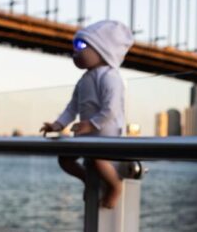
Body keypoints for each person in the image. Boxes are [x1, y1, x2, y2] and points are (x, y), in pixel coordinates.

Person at [40, 20, 133, 208]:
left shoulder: (109, 77)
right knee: (65, 159)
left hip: (105, 133)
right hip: (86, 134)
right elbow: (72, 107)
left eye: (81, 45)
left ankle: (114, 185)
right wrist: (57, 125)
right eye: (74, 46)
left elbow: (111, 108)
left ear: (103, 49)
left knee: (98, 160)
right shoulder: (84, 80)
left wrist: (91, 124)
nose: (75, 52)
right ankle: (88, 180)